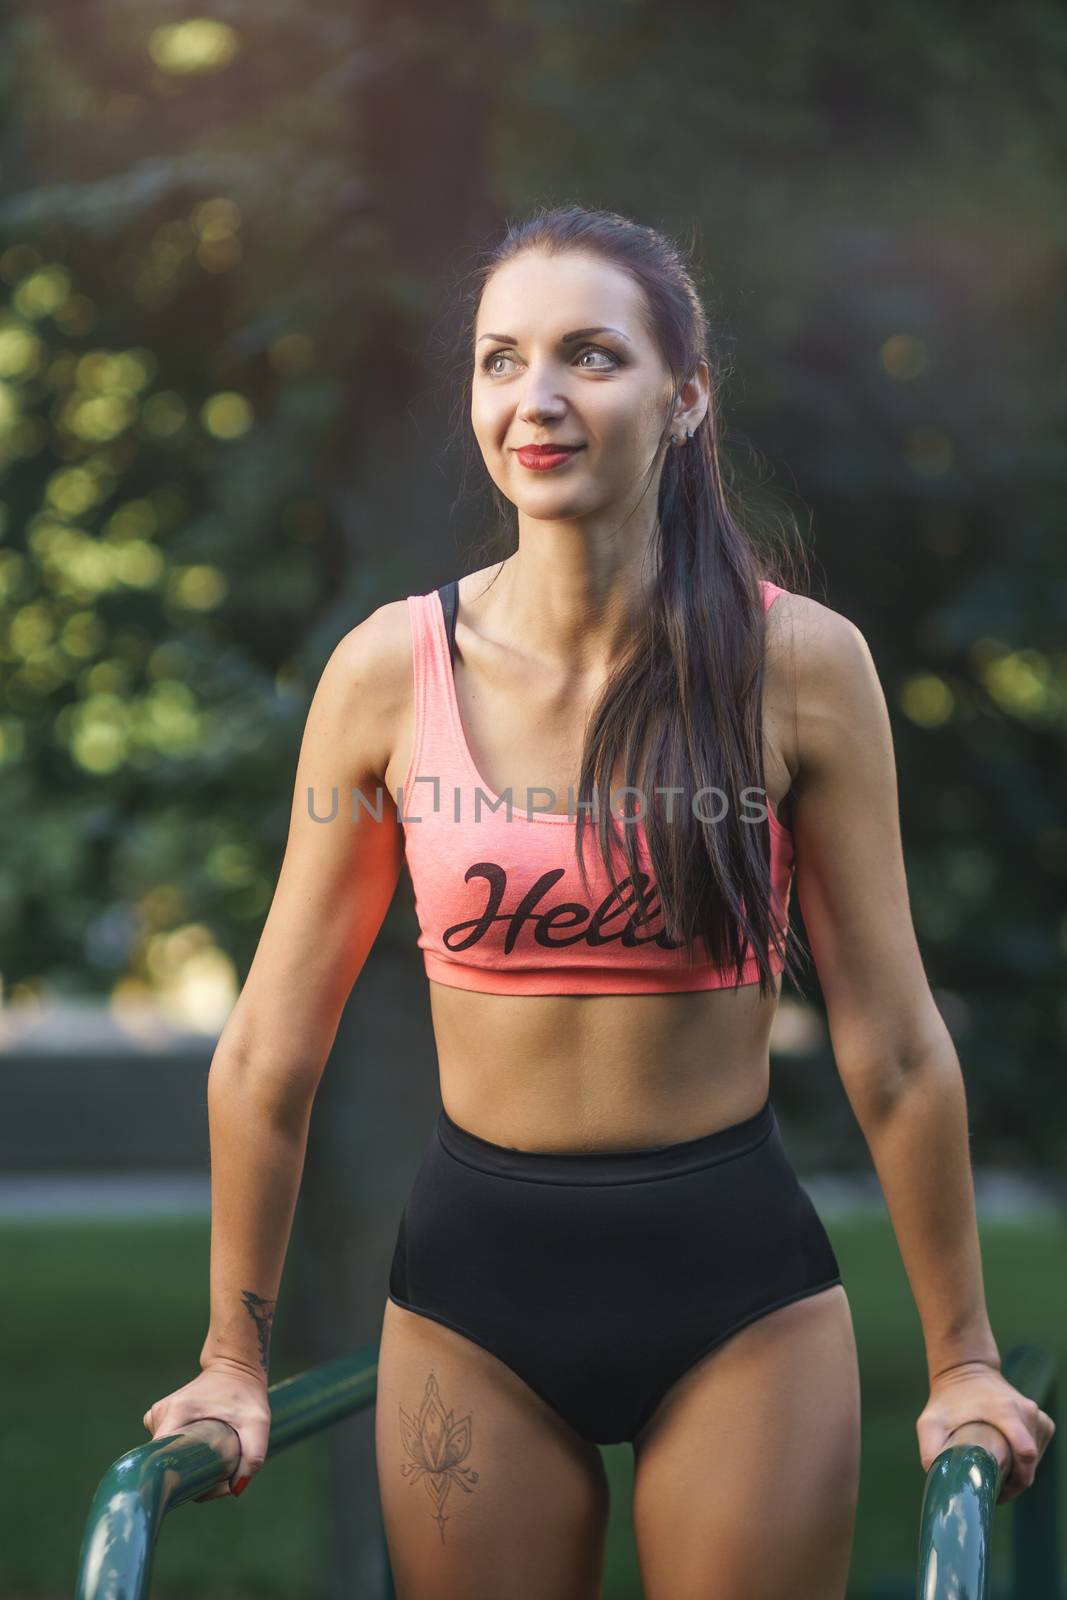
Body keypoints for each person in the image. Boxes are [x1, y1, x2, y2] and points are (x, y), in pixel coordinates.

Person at [142, 206, 1054, 1598]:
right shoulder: (388, 673)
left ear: (685, 398)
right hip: (471, 1296)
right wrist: (229, 1360)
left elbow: (893, 1041)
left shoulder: (802, 666)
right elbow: (271, 1047)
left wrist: (964, 1361)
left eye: (592, 356)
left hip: (737, 1289)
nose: (538, 399)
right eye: (501, 361)